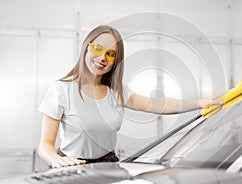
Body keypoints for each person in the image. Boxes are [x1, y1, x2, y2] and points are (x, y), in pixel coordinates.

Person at [37, 25, 223, 168]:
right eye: (97, 49)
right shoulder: (61, 90)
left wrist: (200, 103)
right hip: (71, 166)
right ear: (86, 47)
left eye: (110, 54)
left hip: (108, 165)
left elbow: (158, 104)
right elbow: (45, 146)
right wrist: (56, 160)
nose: (103, 58)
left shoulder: (117, 92)